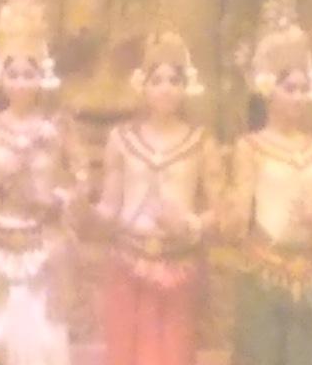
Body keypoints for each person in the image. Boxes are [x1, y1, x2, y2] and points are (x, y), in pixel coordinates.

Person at [0, 0, 81, 365]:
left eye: (29, 73)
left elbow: (82, 179)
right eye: (13, 73)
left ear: (42, 77)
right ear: (0, 76)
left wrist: (60, 199)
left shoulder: (58, 128)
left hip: (41, 249)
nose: (20, 82)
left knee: (42, 347)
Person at [95, 25, 224, 365]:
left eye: (174, 81)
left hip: (179, 267)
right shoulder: (121, 139)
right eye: (157, 80)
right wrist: (82, 209)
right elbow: (109, 207)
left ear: (186, 87)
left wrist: (190, 224)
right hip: (127, 261)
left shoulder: (201, 142)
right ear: (143, 86)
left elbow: (220, 211)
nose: (166, 89)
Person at [225, 0, 312, 365]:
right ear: (269, 90)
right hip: (264, 269)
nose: (299, 98)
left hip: (311, 272)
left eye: (304, 89)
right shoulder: (251, 147)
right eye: (291, 89)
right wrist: (228, 216)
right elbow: (239, 213)